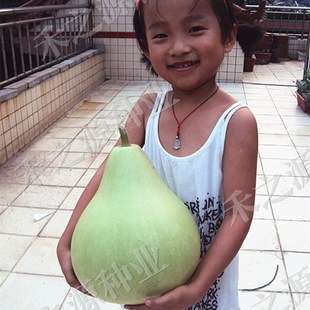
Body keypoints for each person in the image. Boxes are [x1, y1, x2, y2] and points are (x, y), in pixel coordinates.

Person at [57, 0, 258, 309]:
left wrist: (196, 289)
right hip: (146, 281)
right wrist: (68, 238)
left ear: (229, 36)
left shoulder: (236, 122)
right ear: (145, 47)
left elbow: (238, 213)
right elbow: (108, 172)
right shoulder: (146, 111)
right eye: (161, 35)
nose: (178, 47)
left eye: (194, 29)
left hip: (207, 289)